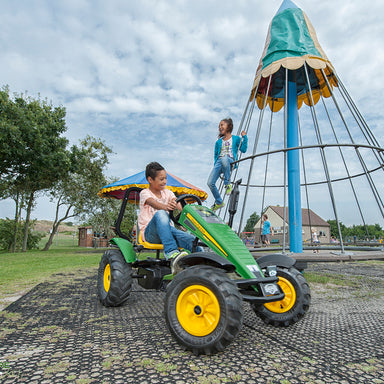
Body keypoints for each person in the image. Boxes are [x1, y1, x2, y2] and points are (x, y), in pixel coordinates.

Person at [137, 162, 198, 273]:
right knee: (161, 213)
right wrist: (166, 207)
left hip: (168, 232)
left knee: (193, 241)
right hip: (150, 233)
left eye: (165, 178)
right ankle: (171, 254)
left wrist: (191, 217)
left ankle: (203, 265)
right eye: (161, 179)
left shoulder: (168, 193)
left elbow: (181, 208)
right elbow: (153, 203)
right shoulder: (145, 193)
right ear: (150, 180)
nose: (164, 181)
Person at [207, 118, 248, 211]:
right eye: (219, 126)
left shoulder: (236, 138)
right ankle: (219, 202)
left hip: (230, 160)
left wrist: (244, 137)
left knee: (225, 158)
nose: (220, 127)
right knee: (210, 183)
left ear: (229, 126)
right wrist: (216, 166)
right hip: (219, 163)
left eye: (222, 125)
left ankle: (227, 184)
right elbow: (216, 154)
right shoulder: (218, 142)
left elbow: (244, 149)